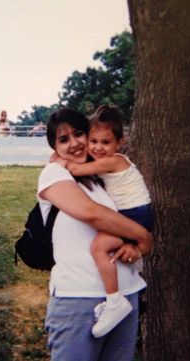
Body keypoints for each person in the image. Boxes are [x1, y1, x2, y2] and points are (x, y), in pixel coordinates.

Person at [37, 107, 153, 361]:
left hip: (127, 293)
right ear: (54, 147)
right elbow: (92, 213)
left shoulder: (102, 177)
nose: (75, 144)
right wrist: (144, 236)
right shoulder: (54, 174)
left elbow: (122, 220)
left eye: (79, 134)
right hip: (79, 298)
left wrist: (135, 245)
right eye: (63, 139)